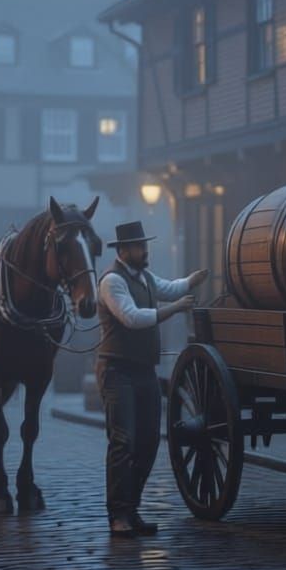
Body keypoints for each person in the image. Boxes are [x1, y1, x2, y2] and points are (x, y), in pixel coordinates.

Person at [96, 220, 208, 538]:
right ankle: (118, 514)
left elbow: (169, 288)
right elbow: (131, 317)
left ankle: (132, 509)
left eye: (144, 245)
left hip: (144, 369)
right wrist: (174, 309)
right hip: (117, 370)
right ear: (123, 250)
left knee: (147, 442)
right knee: (123, 442)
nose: (144, 251)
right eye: (138, 246)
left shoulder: (144, 277)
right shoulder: (112, 281)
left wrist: (191, 281)